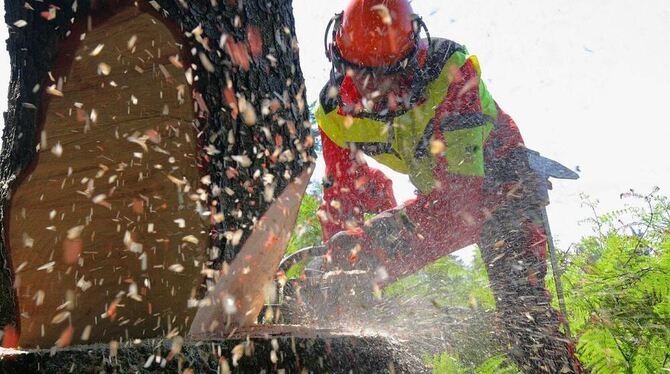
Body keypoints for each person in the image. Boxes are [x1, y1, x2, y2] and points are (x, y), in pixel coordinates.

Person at [314, 0, 582, 372]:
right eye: (361, 76)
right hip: (440, 194)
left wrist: (380, 240)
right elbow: (344, 197)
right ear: (341, 61)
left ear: (412, 60)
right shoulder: (333, 113)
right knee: (349, 259)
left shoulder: (451, 73)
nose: (373, 90)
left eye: (387, 76)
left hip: (501, 187)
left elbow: (462, 206)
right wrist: (341, 261)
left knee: (527, 318)